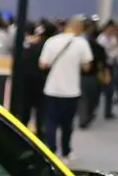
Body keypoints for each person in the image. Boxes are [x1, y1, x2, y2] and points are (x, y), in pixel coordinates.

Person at [37, 16, 93, 161]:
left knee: (51, 122)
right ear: (79, 28)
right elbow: (87, 66)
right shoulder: (82, 43)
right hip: (71, 90)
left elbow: (42, 64)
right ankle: (66, 152)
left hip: (52, 89)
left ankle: (51, 151)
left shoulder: (52, 41)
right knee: (67, 124)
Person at [95, 21, 118, 122]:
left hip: (113, 64)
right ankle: (94, 107)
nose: (112, 30)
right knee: (100, 88)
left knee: (110, 89)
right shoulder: (101, 39)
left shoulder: (113, 38)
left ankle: (108, 112)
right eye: (111, 28)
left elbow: (117, 51)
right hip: (103, 66)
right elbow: (102, 53)